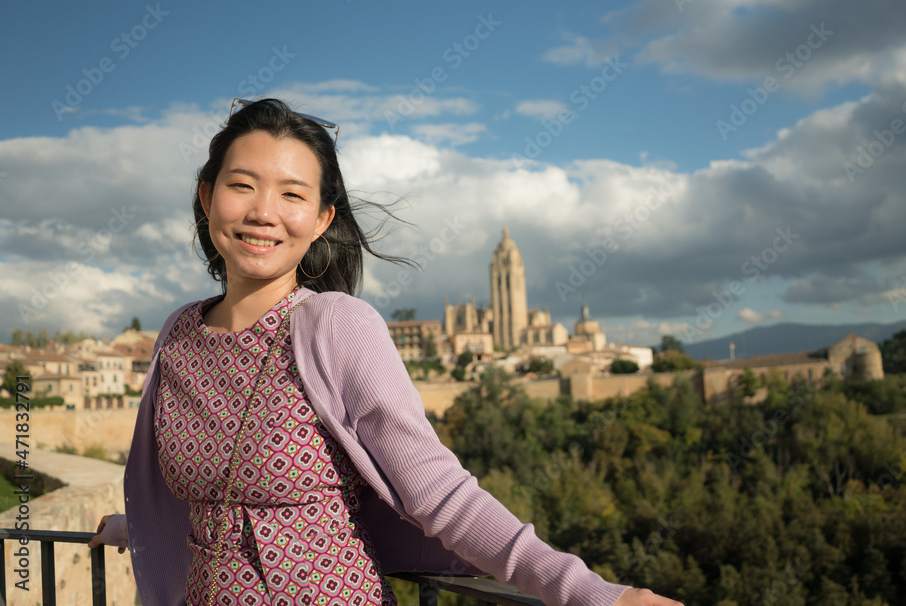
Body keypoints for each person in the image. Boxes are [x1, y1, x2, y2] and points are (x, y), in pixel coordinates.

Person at [88, 97, 684, 606]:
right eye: (242, 185)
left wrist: (590, 593)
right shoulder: (179, 335)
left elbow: (442, 496)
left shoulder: (337, 326)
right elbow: (193, 496)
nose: (263, 212)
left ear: (321, 219)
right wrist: (131, 528)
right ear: (207, 195)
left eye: (291, 195)